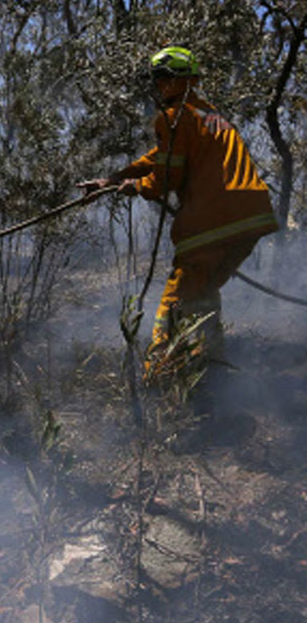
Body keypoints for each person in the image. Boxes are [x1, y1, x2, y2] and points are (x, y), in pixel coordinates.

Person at [78, 46, 278, 378]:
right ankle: (210, 361)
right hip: (252, 217)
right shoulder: (209, 115)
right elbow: (161, 155)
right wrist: (111, 179)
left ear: (174, 81)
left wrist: (137, 187)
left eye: (161, 79)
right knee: (203, 290)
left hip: (213, 219)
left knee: (176, 298)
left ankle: (159, 372)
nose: (157, 86)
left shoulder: (173, 117)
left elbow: (163, 178)